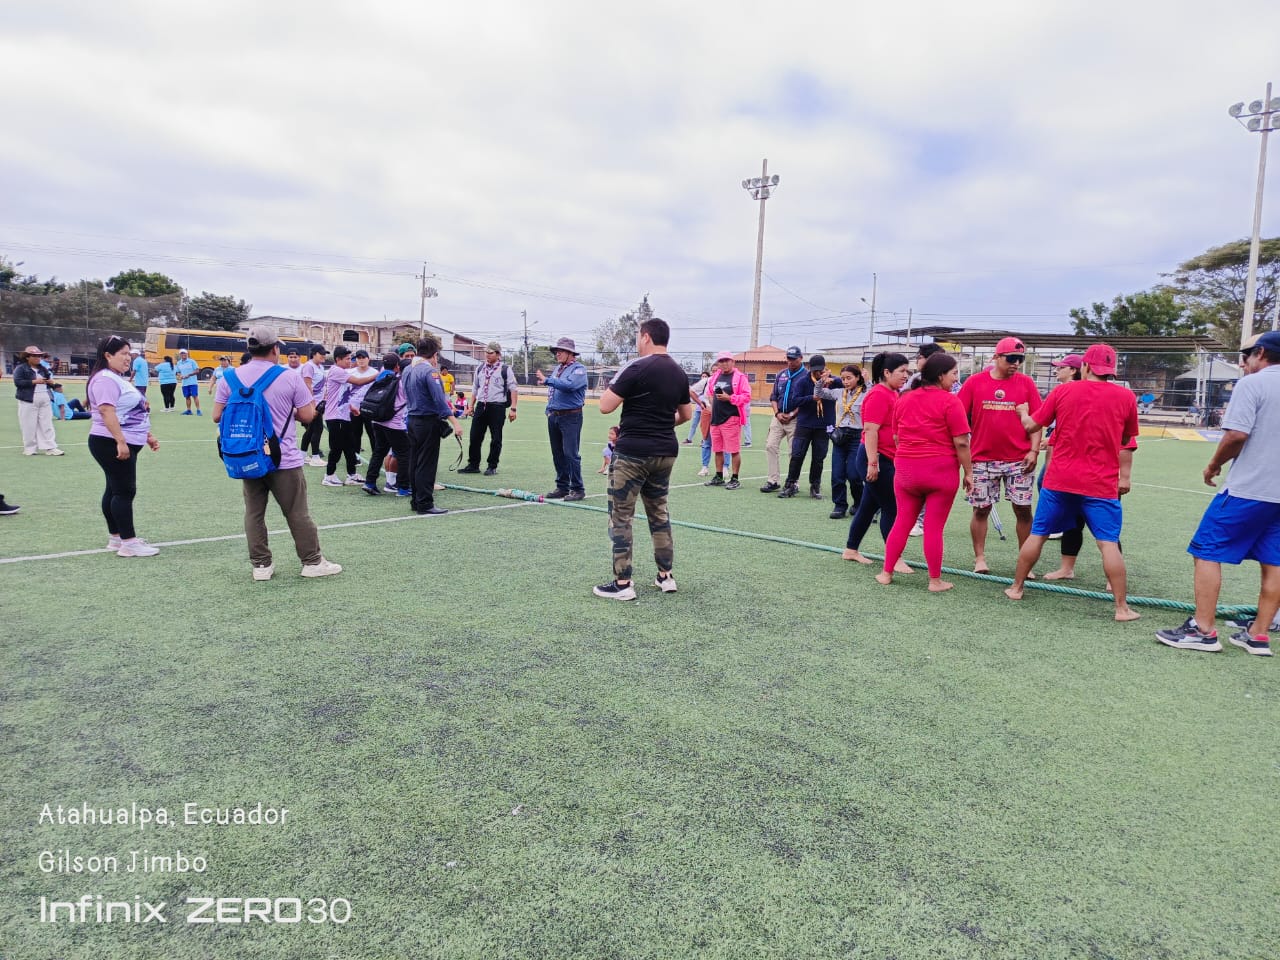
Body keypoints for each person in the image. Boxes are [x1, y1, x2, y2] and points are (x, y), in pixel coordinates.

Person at [1156, 331, 1280, 656]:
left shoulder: (1253, 384)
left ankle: (1203, 630)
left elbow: (1237, 434)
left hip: (1249, 488)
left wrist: (1213, 465)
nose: (1242, 363)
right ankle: (1258, 635)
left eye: (1246, 356)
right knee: (1274, 560)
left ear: (1261, 352)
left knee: (1206, 550)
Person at [1003, 343, 1140, 621]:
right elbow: (1127, 439)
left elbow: (1031, 426)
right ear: (1111, 371)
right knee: (1108, 543)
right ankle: (1121, 608)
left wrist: (1022, 412)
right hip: (1101, 483)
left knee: (1038, 534)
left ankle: (1016, 588)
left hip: (1059, 479)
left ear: (1086, 367)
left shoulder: (1063, 391)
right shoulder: (1126, 397)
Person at [213, 326, 341, 580]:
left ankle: (261, 566)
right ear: (274, 348)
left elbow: (217, 415)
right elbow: (307, 415)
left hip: (248, 455)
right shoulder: (289, 377)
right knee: (296, 512)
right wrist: (286, 411)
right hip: (283, 457)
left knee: (254, 513)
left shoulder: (230, 377)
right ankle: (312, 562)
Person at [595, 317, 693, 599]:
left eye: (639, 336)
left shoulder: (636, 367)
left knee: (621, 517)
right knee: (659, 513)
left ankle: (623, 584)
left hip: (632, 454)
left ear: (646, 337)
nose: (637, 341)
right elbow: (686, 415)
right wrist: (660, 424)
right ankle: (666, 576)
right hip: (665, 452)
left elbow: (605, 406)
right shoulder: (679, 372)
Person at [875, 353, 973, 592]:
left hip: (906, 471)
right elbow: (962, 442)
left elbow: (896, 437)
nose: (956, 378)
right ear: (940, 375)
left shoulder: (904, 398)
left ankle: (886, 573)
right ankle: (935, 581)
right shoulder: (951, 401)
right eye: (953, 373)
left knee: (902, 521)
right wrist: (968, 472)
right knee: (933, 527)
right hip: (940, 472)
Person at [958, 336, 1043, 574]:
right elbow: (958, 415)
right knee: (981, 509)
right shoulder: (975, 382)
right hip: (982, 459)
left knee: (1023, 509)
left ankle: (1025, 562)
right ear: (996, 357)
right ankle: (980, 559)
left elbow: (1037, 421)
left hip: (1019, 459)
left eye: (1020, 359)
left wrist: (1034, 450)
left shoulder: (1026, 383)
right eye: (1011, 358)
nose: (1016, 363)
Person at [86, 335, 161, 557]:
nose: (128, 358)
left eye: (129, 353)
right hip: (110, 441)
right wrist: (120, 441)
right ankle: (129, 543)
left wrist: (147, 435)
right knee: (124, 491)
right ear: (108, 356)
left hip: (120, 439)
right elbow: (106, 411)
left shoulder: (114, 378)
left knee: (114, 489)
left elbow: (129, 412)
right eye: (123, 354)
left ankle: (117, 538)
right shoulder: (105, 379)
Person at [843, 353, 912, 571]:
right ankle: (894, 558)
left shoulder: (893, 393)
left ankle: (851, 549)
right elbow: (870, 430)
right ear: (887, 373)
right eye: (902, 371)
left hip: (886, 457)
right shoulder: (879, 395)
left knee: (868, 506)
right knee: (891, 507)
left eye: (907, 371)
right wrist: (873, 464)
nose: (906, 375)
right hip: (876, 458)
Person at [403, 336, 463, 515]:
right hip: (427, 421)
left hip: (412, 419)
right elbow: (440, 400)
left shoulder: (407, 369)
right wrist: (455, 422)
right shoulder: (430, 372)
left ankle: (416, 500)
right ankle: (425, 503)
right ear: (435, 355)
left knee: (414, 462)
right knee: (426, 464)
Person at [536, 337, 589, 501]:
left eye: (561, 351)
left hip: (571, 416)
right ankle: (562, 487)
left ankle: (578, 489)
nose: (557, 354)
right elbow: (554, 391)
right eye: (556, 351)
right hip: (555, 416)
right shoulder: (558, 369)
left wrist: (547, 380)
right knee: (558, 453)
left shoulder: (579, 369)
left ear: (570, 353)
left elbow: (569, 385)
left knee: (570, 454)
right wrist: (549, 410)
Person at [320, 346, 377, 487]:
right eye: (347, 359)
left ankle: (352, 475)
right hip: (336, 416)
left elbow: (342, 394)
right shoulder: (336, 371)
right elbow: (358, 382)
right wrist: (378, 375)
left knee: (350, 446)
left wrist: (351, 407)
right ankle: (329, 475)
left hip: (343, 415)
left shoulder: (342, 371)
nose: (350, 361)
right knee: (337, 448)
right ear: (338, 359)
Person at [780, 354, 835, 499]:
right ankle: (790, 485)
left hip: (823, 425)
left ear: (825, 368)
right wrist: (811, 398)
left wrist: (832, 380)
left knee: (819, 457)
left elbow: (846, 385)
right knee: (797, 455)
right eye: (815, 370)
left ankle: (815, 487)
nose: (818, 373)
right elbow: (795, 400)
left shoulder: (832, 381)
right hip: (804, 424)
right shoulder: (803, 381)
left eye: (820, 370)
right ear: (810, 368)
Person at [459, 341, 519, 476]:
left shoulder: (505, 369)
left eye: (490, 353)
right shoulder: (480, 368)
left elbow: (513, 389)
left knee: (496, 438)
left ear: (498, 354)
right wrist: (471, 406)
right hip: (481, 405)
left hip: (497, 407)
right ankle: (473, 464)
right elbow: (475, 388)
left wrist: (513, 409)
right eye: (486, 352)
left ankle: (492, 466)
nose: (487, 355)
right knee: (475, 436)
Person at [363, 352, 412, 497]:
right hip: (394, 423)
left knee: (379, 452)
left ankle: (369, 482)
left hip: (377, 420)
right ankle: (403, 488)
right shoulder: (400, 381)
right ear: (397, 366)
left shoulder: (380, 377)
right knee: (404, 453)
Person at [702, 350, 751, 490]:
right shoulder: (715, 376)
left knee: (733, 450)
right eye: (721, 361)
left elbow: (747, 397)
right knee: (717, 449)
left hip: (731, 417)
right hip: (716, 418)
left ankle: (735, 479)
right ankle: (719, 477)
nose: (724, 363)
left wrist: (729, 398)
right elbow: (710, 392)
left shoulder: (740, 377)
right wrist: (711, 404)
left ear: (732, 362)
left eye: (726, 360)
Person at [761, 346, 805, 492]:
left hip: (796, 419)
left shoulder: (806, 376)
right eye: (788, 359)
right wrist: (777, 413)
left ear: (801, 358)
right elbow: (773, 396)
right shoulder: (781, 374)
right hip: (778, 417)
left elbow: (806, 400)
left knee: (794, 451)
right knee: (770, 445)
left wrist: (792, 414)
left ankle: (794, 483)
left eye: (794, 359)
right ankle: (773, 480)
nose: (790, 362)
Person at [829, 364, 866, 519]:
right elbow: (819, 394)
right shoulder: (839, 392)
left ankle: (859, 503)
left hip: (857, 436)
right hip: (840, 435)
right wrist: (822, 381)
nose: (845, 381)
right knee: (837, 474)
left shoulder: (866, 393)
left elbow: (876, 392)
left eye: (849, 378)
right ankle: (839, 505)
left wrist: (868, 381)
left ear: (858, 377)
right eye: (843, 378)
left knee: (854, 475)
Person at [13, 345, 64, 456]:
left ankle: (50, 448)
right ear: (27, 357)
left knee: (47, 424)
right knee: (28, 425)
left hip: (44, 397)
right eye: (35, 356)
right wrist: (34, 381)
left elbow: (49, 380)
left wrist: (52, 383)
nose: (38, 358)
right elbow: (18, 382)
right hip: (28, 399)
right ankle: (30, 448)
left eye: (39, 356)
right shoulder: (21, 368)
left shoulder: (43, 368)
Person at [299, 346, 329, 465]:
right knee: (318, 429)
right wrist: (312, 405)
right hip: (312, 403)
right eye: (321, 353)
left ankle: (302, 455)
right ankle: (315, 457)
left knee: (311, 430)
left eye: (324, 353)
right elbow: (307, 385)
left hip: (318, 402)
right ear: (314, 354)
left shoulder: (320, 367)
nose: (324, 356)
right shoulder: (309, 366)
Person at [684, 370, 710, 444]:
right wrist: (699, 402)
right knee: (694, 424)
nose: (704, 377)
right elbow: (692, 394)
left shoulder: (709, 385)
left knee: (704, 426)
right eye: (702, 376)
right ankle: (689, 439)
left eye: (705, 376)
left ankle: (704, 440)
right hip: (698, 409)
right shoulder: (697, 386)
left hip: (706, 409)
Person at [175, 348, 201, 415]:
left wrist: (189, 375)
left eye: (184, 353)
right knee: (187, 397)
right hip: (184, 383)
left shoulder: (192, 361)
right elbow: (177, 372)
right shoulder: (179, 363)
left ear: (187, 354)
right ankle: (189, 410)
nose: (183, 354)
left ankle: (198, 410)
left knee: (195, 396)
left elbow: (197, 370)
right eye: (181, 353)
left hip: (193, 382)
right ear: (180, 355)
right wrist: (180, 375)